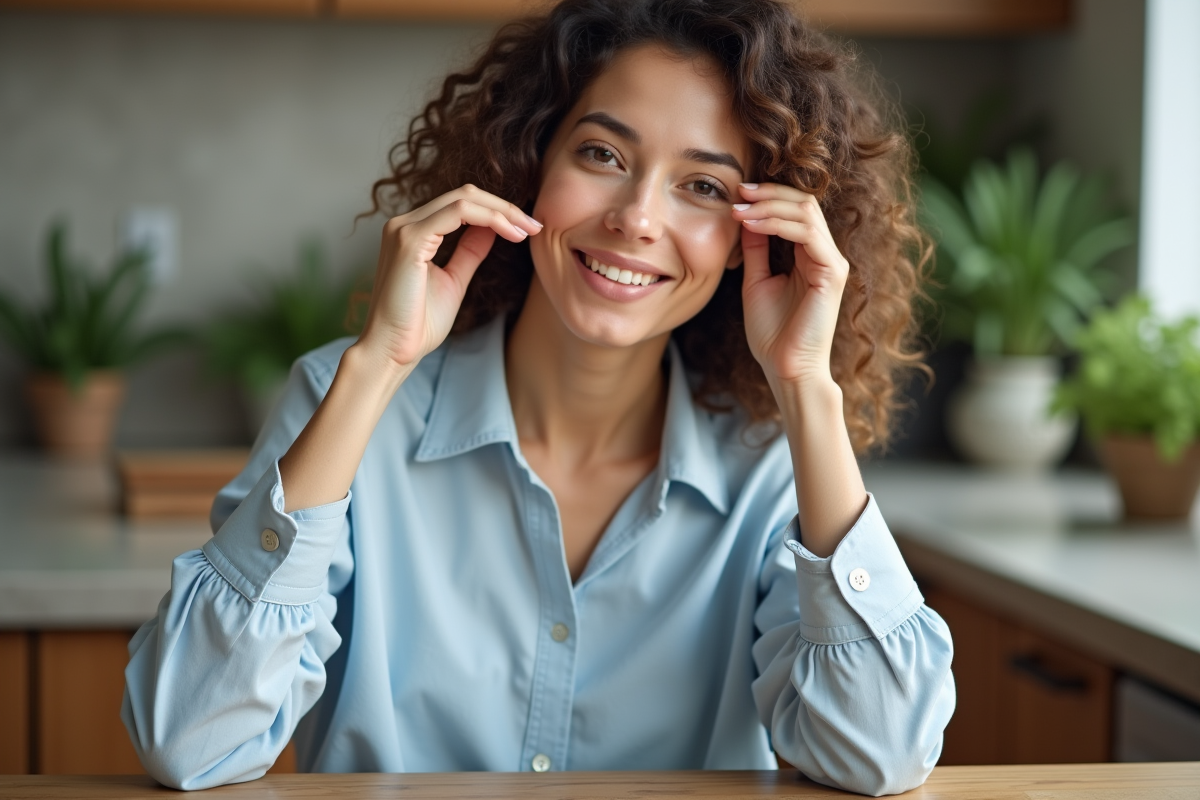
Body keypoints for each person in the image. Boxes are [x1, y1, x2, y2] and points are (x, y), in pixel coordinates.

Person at [122, 0, 954, 794]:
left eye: (702, 187)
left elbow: (879, 753)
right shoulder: (350, 403)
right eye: (602, 155)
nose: (636, 219)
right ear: (529, 165)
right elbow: (192, 741)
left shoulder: (769, 467)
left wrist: (807, 390)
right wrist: (380, 363)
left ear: (753, 238)